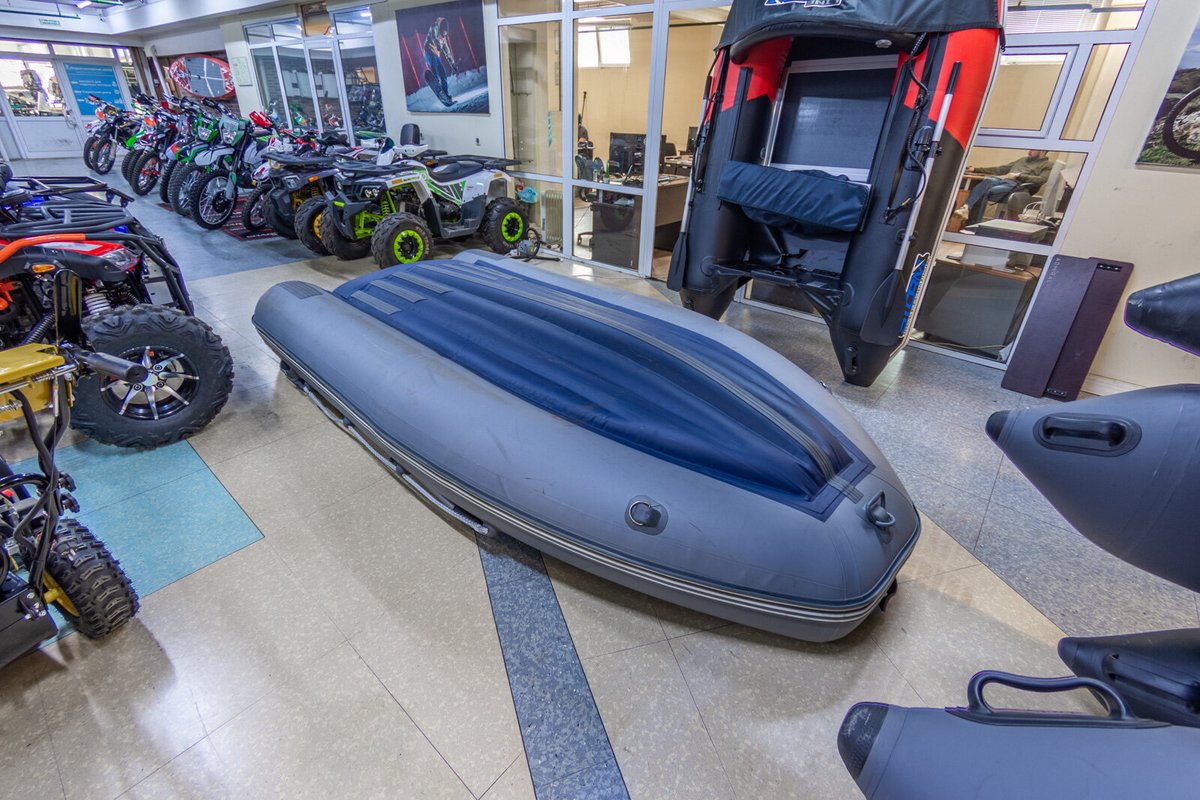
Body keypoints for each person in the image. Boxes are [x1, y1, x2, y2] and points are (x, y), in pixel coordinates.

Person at [955, 150, 1053, 225]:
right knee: (988, 180)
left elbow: (1041, 180)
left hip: (1019, 187)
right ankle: (966, 208)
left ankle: (971, 221)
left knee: (986, 190)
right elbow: (1001, 169)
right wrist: (975, 169)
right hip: (1004, 181)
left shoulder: (1047, 165)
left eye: (1033, 149)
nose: (1029, 151)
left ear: (1042, 151)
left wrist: (1019, 175)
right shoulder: (1023, 160)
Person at [423, 16, 455, 100]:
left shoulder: (443, 39)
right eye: (442, 34)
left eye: (444, 35)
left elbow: (447, 53)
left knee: (443, 72)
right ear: (440, 30)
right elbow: (433, 36)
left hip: (435, 55)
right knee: (434, 61)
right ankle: (436, 81)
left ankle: (445, 94)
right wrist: (437, 44)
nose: (442, 37)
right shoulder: (434, 27)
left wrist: (453, 65)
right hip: (428, 52)